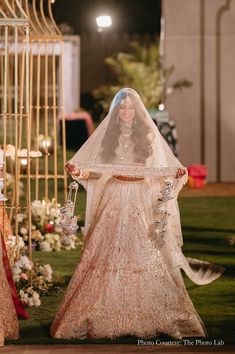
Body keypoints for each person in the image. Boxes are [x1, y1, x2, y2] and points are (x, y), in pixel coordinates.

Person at [51, 88, 223, 340]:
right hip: (113, 197)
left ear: (138, 110)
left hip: (137, 201)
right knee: (105, 254)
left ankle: (146, 312)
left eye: (131, 107)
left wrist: (174, 174)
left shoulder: (148, 138)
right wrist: (79, 172)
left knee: (142, 253)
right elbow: (98, 171)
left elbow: (160, 170)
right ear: (116, 110)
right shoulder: (107, 137)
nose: (127, 111)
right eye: (123, 107)